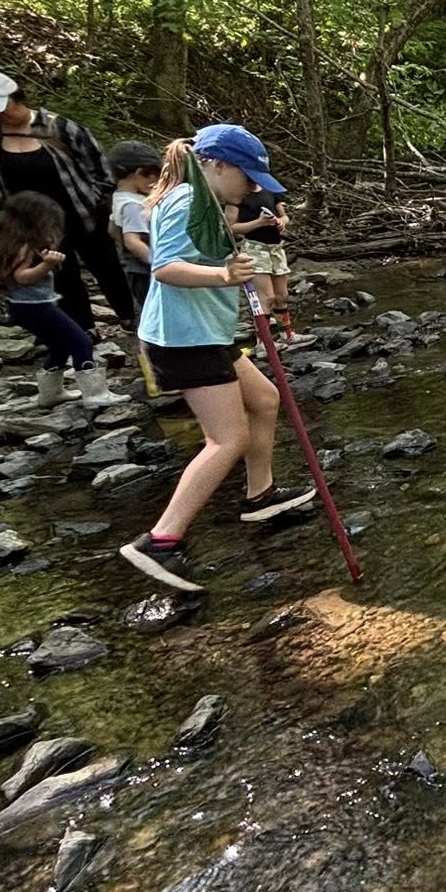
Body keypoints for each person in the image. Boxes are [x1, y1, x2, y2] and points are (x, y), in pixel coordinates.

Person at [117, 127, 317, 592]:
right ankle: (160, 541)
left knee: (265, 400)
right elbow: (164, 268)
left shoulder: (205, 202)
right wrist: (224, 274)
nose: (253, 187)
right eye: (248, 177)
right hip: (185, 340)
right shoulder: (183, 201)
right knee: (226, 438)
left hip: (207, 332)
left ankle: (260, 495)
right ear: (218, 165)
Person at [0, 71, 136, 332]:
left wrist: (96, 202)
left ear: (18, 98)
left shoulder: (60, 128)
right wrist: (2, 216)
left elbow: (100, 169)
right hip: (33, 225)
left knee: (107, 266)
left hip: (82, 214)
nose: (0, 115)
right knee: (61, 275)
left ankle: (130, 317)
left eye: (4, 107)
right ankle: (85, 332)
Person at [0, 191, 125, 409]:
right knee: (81, 341)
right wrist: (46, 266)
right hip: (35, 307)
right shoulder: (23, 247)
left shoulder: (10, 243)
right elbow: (21, 277)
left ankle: (51, 393)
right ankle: (95, 393)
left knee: (59, 345)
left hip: (25, 307)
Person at [228, 176, 298, 342]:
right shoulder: (237, 195)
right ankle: (264, 343)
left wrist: (281, 222)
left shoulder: (270, 189)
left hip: (275, 248)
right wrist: (258, 223)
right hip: (254, 248)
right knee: (266, 297)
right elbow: (230, 228)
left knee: (281, 295)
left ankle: (287, 335)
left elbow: (284, 216)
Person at [106, 140, 161, 311]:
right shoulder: (133, 205)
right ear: (140, 173)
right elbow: (132, 240)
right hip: (145, 271)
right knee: (156, 311)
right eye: (154, 176)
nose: (156, 183)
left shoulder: (120, 197)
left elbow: (112, 229)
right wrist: (159, 263)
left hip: (136, 269)